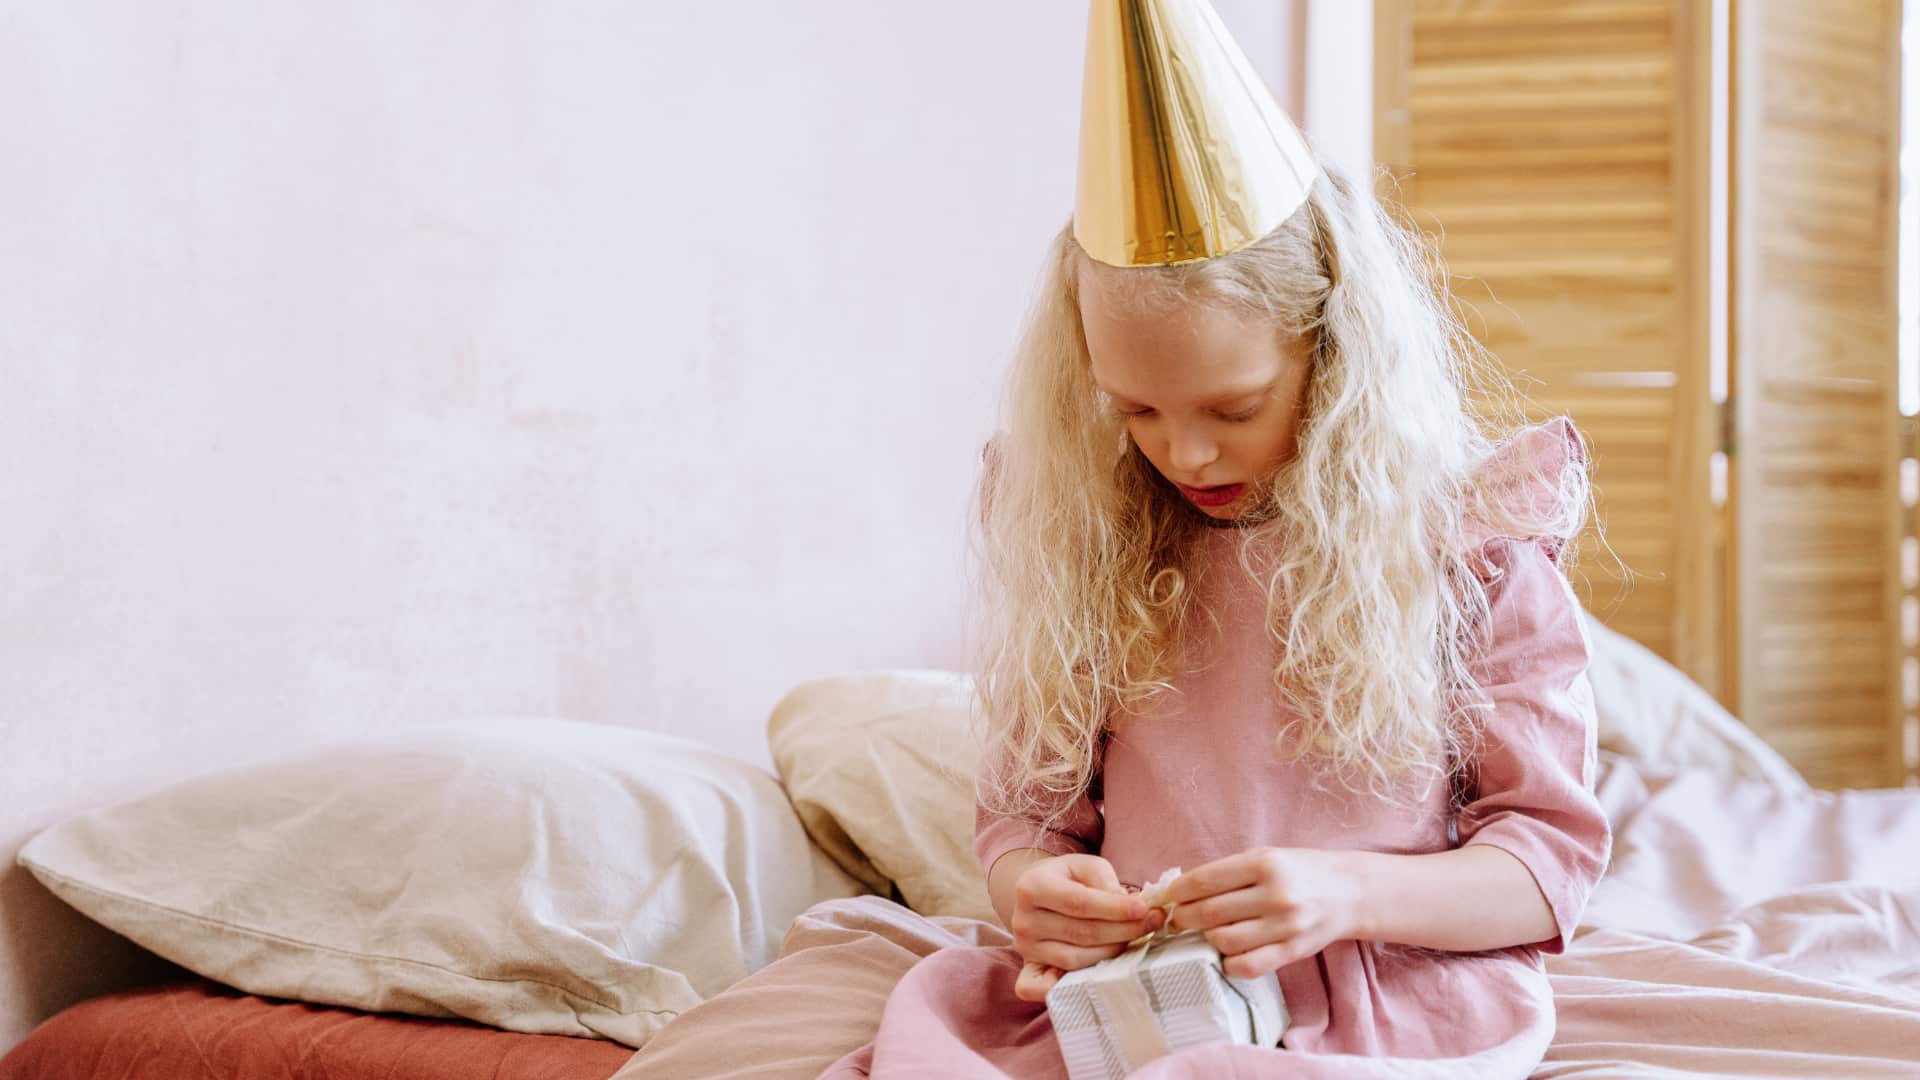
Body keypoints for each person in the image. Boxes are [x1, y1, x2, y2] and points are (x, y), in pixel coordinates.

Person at [819, 2, 1612, 1076]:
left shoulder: (1471, 542)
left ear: (1334, 355)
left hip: (1392, 1001)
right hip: (1136, 1002)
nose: (1185, 455)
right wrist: (1033, 893)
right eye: (1137, 411)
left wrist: (1344, 891)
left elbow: (1548, 864)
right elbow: (1025, 821)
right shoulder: (1093, 539)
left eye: (1233, 408)